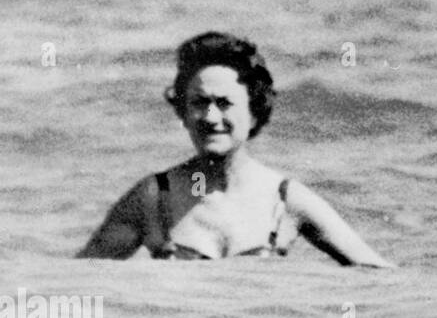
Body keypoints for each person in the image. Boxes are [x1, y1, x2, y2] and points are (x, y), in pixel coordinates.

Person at [78, 32, 393, 266]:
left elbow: (378, 274)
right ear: (183, 112)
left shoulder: (283, 199)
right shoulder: (152, 198)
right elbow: (78, 283)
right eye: (199, 103)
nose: (211, 118)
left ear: (255, 110)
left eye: (225, 104)